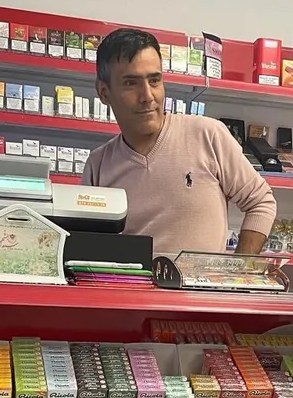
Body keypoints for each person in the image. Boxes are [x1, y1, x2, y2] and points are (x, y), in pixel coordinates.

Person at [81, 28, 276, 255]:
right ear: (104, 92)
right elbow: (90, 247)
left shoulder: (208, 135)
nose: (148, 96)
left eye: (154, 80)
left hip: (203, 281)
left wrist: (240, 269)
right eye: (131, 83)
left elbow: (261, 202)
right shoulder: (98, 165)